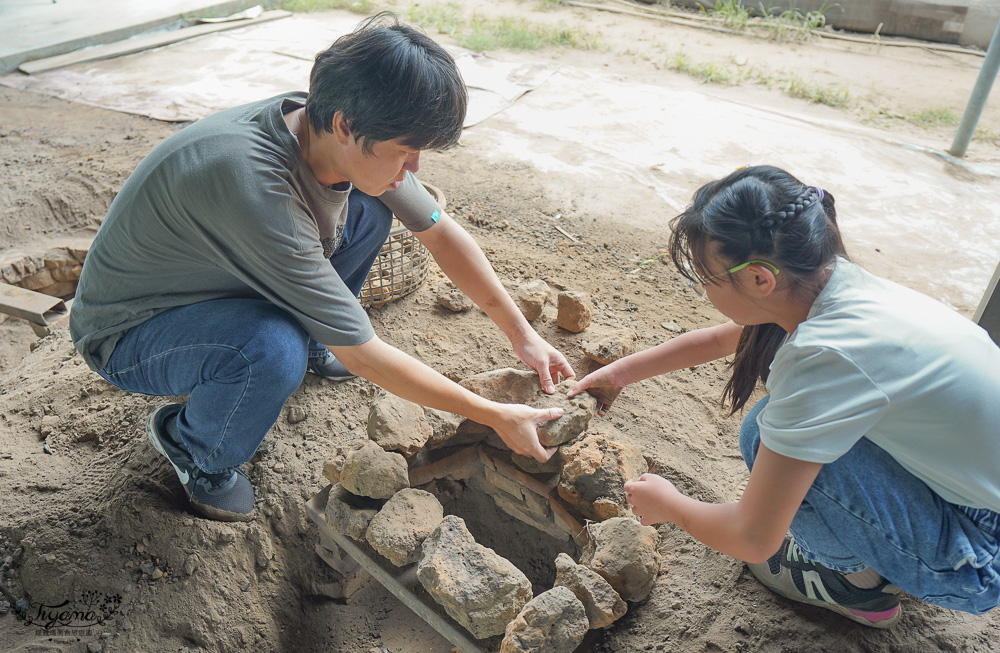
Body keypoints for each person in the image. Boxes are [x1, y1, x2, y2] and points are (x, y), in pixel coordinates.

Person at [69, 12, 574, 523]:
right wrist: (491, 415)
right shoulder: (259, 189)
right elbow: (366, 359)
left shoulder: (335, 125)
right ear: (345, 127)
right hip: (132, 330)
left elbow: (439, 231)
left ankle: (316, 337)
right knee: (269, 349)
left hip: (218, 278)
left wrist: (522, 333)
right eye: (406, 151)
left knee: (373, 206)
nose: (415, 166)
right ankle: (194, 448)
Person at [569, 165, 1000, 628]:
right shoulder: (838, 285)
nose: (704, 288)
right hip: (975, 495)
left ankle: (856, 587)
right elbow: (722, 339)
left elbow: (753, 538)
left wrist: (671, 505)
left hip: (978, 560)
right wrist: (622, 372)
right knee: (782, 431)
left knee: (762, 432)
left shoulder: (825, 355)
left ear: (759, 279)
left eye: (707, 276)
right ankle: (884, 554)